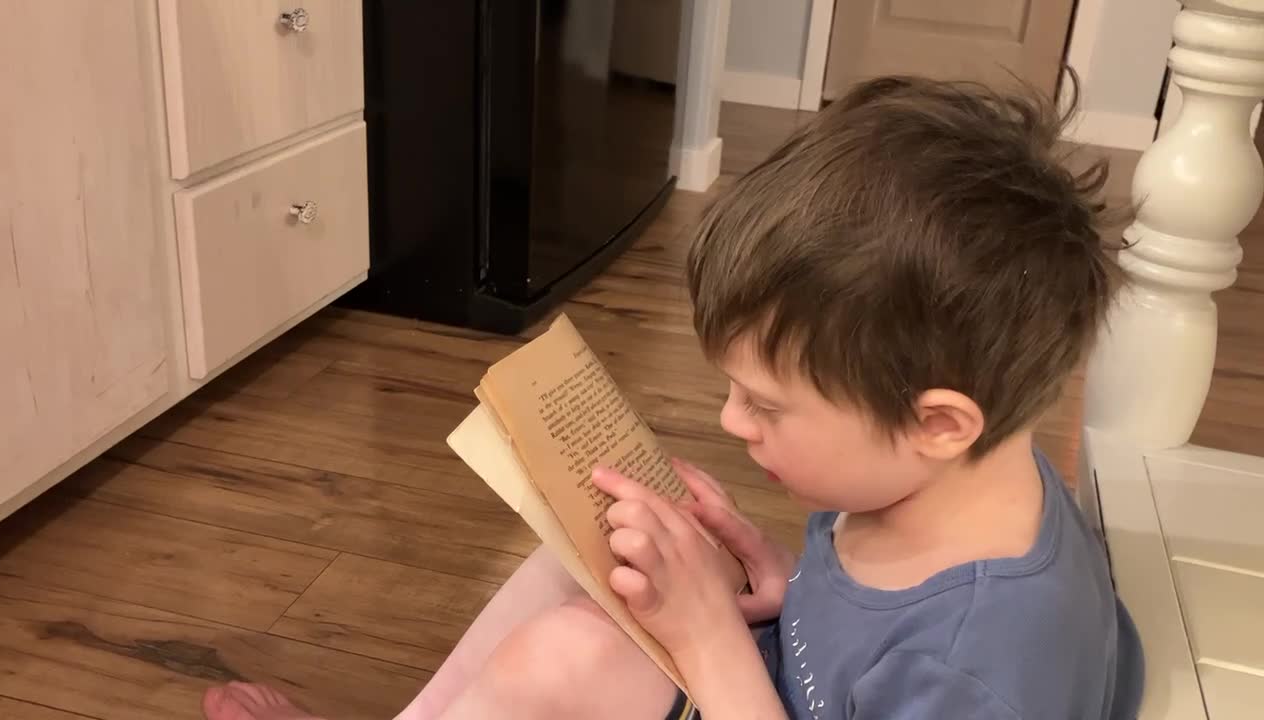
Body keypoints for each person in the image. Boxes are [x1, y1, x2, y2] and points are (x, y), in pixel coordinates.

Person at [203, 74, 1145, 720]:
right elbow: (864, 624)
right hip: (760, 682)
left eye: (766, 405)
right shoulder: (944, 488)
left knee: (562, 658)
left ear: (938, 422)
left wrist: (708, 637)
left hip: (745, 692)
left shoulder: (980, 670)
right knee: (588, 557)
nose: (734, 423)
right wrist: (784, 576)